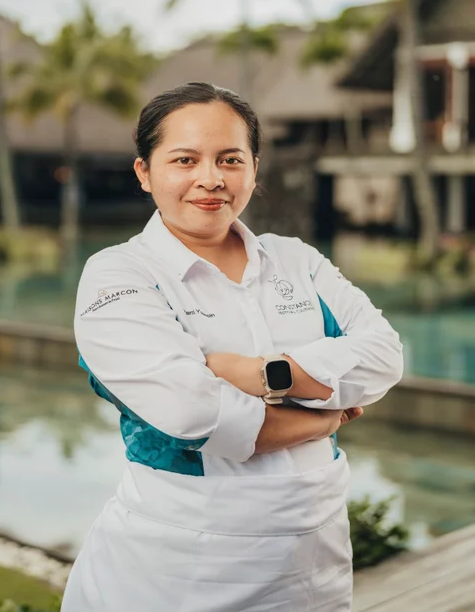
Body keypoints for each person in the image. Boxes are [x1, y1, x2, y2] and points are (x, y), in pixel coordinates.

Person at [61, 82, 404, 612]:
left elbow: (384, 357)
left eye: (230, 159)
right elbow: (191, 411)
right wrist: (324, 420)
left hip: (315, 561)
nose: (211, 178)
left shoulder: (295, 260)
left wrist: (251, 373)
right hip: (175, 568)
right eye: (185, 159)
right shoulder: (118, 275)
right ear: (144, 172)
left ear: (254, 168)